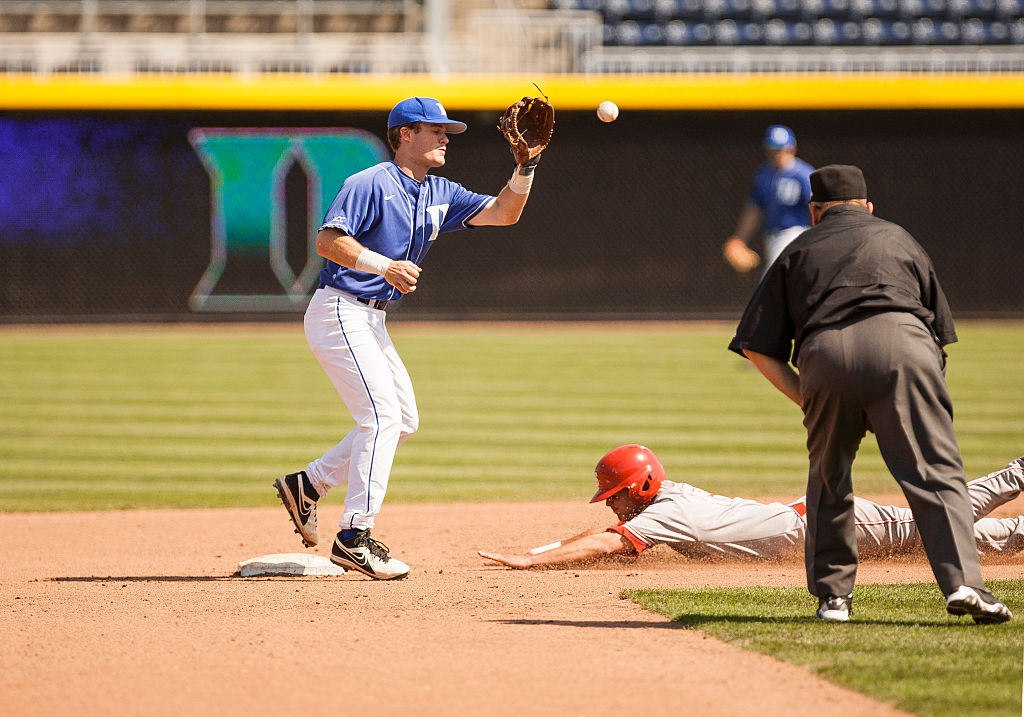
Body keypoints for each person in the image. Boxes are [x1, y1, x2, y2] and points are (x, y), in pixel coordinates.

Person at [727, 164, 1011, 624]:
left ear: (814, 212)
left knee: (829, 479)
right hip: (904, 348)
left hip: (826, 355)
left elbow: (757, 346)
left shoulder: (798, 248)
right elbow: (939, 334)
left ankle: (833, 599)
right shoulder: (899, 238)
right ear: (868, 207)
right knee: (937, 473)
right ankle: (963, 584)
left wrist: (808, 396)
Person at [273, 96, 543, 580]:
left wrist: (527, 166)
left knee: (403, 421)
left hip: (371, 319)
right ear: (403, 135)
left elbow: (505, 213)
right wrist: (384, 265)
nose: (444, 138)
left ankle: (308, 485)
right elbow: (327, 241)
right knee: (379, 418)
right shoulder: (369, 182)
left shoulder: (440, 190)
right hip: (339, 309)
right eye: (434, 129)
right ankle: (354, 536)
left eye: (447, 132)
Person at [478, 443, 1024, 582]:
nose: (613, 504)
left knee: (947, 517)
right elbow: (611, 532)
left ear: (639, 488)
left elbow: (607, 543)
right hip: (823, 527)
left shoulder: (666, 516)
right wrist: (543, 549)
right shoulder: (665, 499)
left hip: (831, 524)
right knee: (983, 540)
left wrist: (532, 563)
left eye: (615, 495)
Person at [722, 125, 814, 276]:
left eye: (780, 149)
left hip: (794, 233)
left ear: (792, 148)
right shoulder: (764, 173)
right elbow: (754, 209)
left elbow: (816, 207)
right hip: (771, 237)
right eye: (772, 149)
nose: (776, 154)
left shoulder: (803, 174)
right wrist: (739, 238)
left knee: (772, 281)